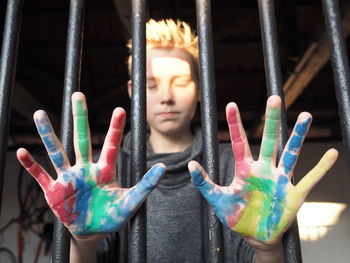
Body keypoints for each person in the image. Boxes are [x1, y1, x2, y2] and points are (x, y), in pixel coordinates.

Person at [16, 19, 338, 263]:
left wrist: (268, 248)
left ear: (200, 89)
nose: (167, 96)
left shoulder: (234, 166)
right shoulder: (106, 172)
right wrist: (82, 242)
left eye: (181, 81)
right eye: (152, 84)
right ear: (133, 92)